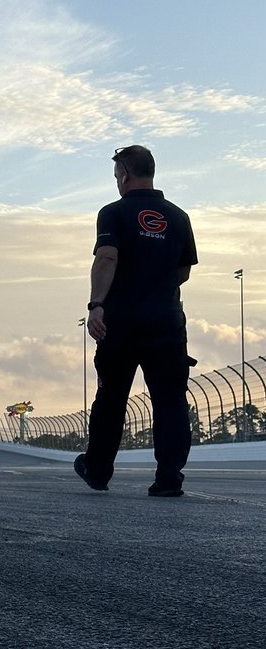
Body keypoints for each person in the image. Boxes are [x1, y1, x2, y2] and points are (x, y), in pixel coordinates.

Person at [75, 145, 197, 497]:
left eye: (116, 176)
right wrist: (155, 287)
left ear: (124, 174)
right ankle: (169, 478)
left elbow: (106, 258)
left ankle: (98, 470)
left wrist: (97, 304)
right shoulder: (178, 216)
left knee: (111, 397)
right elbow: (184, 271)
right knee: (171, 399)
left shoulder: (113, 213)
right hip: (166, 322)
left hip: (121, 322)